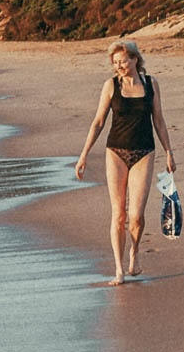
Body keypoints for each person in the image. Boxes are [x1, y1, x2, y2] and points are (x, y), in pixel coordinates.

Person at [74, 39, 176, 285]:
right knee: (118, 215)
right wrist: (84, 155)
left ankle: (135, 250)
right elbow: (98, 122)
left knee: (137, 216)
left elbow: (159, 121)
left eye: (123, 61)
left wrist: (169, 152)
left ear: (135, 59)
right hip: (116, 152)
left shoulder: (151, 84)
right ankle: (119, 269)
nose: (119, 66)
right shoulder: (110, 86)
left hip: (144, 152)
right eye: (115, 62)